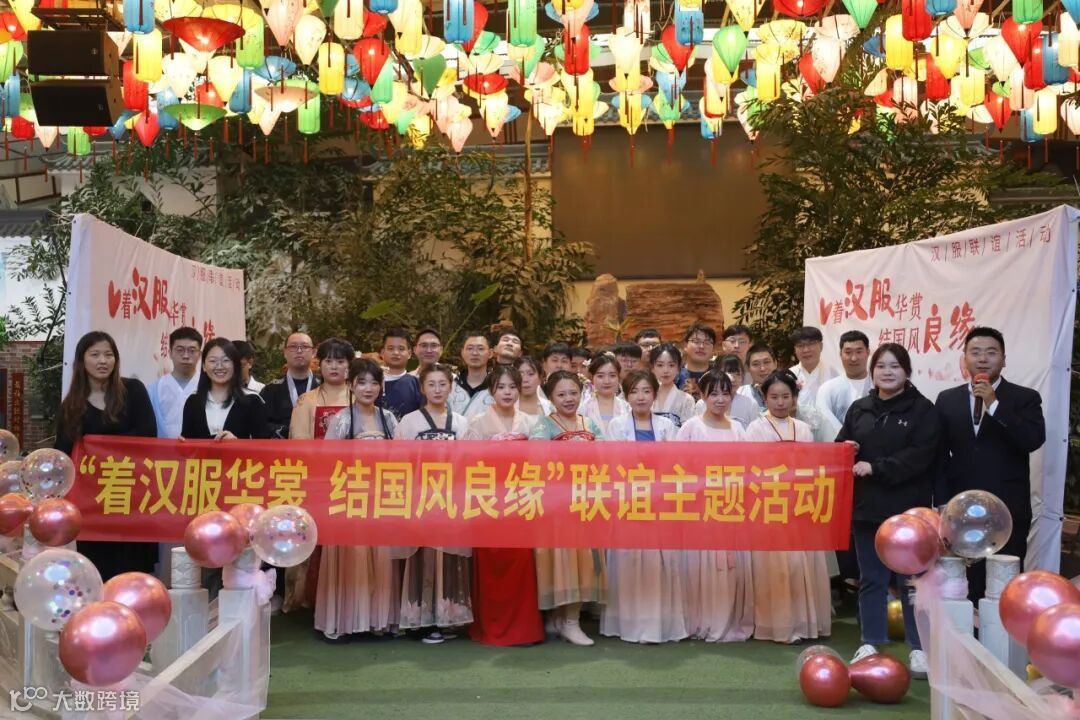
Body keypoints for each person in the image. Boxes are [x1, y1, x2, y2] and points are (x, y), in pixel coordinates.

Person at [837, 342, 938, 677]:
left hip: (909, 513)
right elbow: (841, 445)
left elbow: (920, 456)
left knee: (912, 581)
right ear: (873, 371)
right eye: (881, 366)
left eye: (895, 366)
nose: (888, 372)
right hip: (867, 508)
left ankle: (918, 647)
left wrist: (876, 468)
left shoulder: (923, 410)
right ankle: (870, 641)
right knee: (871, 579)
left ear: (907, 371)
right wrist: (847, 448)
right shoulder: (860, 408)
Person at [935, 327, 1045, 601]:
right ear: (965, 359)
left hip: (1008, 508)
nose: (983, 358)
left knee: (1004, 585)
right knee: (963, 585)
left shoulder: (1025, 398)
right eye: (975, 352)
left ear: (1003, 359)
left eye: (991, 352)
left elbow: (1032, 440)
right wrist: (942, 501)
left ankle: (1002, 629)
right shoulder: (947, 400)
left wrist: (994, 404)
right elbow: (939, 455)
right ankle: (965, 629)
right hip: (960, 509)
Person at [56, 331, 157, 580]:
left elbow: (148, 435)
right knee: (97, 570)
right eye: (95, 355)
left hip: (133, 495)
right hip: (93, 503)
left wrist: (104, 448)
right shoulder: (71, 406)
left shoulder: (133, 390)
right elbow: (63, 453)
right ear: (82, 360)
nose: (103, 361)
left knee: (134, 572)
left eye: (108, 355)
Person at [744, 370, 832, 644]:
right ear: (764, 398)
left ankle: (804, 622)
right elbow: (751, 469)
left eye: (785, 396)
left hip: (799, 505)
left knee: (798, 565)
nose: (780, 402)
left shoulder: (803, 428)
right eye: (774, 397)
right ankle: (776, 624)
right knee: (775, 567)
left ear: (794, 398)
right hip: (769, 505)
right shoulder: (755, 428)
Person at [318, 358, 400, 642]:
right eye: (361, 382)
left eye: (374, 382)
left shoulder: (389, 419)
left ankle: (378, 620)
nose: (368, 388)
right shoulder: (341, 420)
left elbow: (401, 460)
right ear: (351, 385)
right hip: (350, 498)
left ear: (381, 386)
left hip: (383, 499)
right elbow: (327, 463)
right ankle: (344, 621)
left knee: (382, 558)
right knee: (352, 558)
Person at [462, 365, 545, 647]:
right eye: (501, 387)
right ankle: (491, 626)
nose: (507, 392)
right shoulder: (477, 423)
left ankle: (524, 629)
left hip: (521, 500)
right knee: (491, 566)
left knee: (521, 565)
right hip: (489, 501)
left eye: (512, 387)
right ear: (491, 391)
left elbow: (540, 462)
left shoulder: (531, 423)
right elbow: (468, 464)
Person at [602, 370, 685, 644]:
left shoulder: (668, 427)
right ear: (626, 396)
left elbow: (677, 465)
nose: (641, 397)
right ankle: (628, 624)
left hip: (660, 502)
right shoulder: (616, 426)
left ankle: (660, 624)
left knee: (659, 563)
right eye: (634, 391)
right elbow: (612, 465)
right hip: (629, 502)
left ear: (654, 395)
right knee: (629, 561)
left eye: (646, 391)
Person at [396, 363, 472, 643]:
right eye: (431, 384)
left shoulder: (462, 422)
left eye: (442, 384)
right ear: (422, 388)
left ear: (451, 387)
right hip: (421, 500)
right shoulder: (409, 422)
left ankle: (446, 617)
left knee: (450, 559)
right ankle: (421, 620)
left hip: (452, 500)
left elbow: (469, 462)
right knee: (424, 559)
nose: (437, 390)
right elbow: (398, 462)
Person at [529, 370, 606, 646]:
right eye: (561, 394)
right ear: (550, 398)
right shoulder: (543, 425)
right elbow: (536, 462)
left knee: (584, 561)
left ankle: (572, 621)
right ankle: (556, 617)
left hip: (586, 502)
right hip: (557, 505)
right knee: (560, 562)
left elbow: (605, 457)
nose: (568, 398)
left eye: (573, 392)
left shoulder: (590, 424)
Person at [677, 370, 755, 642]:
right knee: (702, 566)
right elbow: (679, 467)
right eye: (714, 394)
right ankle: (702, 620)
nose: (720, 399)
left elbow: (748, 467)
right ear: (702, 395)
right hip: (701, 508)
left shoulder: (738, 428)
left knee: (730, 568)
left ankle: (729, 618)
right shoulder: (691, 427)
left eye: (726, 393)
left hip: (731, 505)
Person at [285, 338, 354, 612]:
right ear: (319, 364)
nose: (334, 367)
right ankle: (304, 597)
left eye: (340, 361)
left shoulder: (358, 397)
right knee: (310, 538)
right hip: (316, 482)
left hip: (351, 483)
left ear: (349, 366)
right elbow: (299, 444)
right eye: (328, 361)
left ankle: (346, 598)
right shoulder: (307, 401)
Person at [180, 339, 269, 440]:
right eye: (213, 361)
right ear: (204, 366)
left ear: (235, 365)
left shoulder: (252, 400)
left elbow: (263, 445)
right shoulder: (193, 402)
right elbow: (187, 444)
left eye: (226, 360)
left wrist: (238, 443)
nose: (219, 366)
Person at [147, 326, 203, 439]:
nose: (186, 356)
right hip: (163, 449)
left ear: (200, 354)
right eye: (180, 350)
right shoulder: (154, 389)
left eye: (192, 350)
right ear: (170, 353)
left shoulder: (208, 386)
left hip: (199, 449)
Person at [261, 332, 319, 439]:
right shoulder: (271, 390)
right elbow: (262, 424)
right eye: (293, 346)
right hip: (282, 447)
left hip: (318, 446)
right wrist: (288, 431)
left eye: (305, 346)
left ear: (313, 352)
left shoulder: (323, 386)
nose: (299, 350)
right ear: (285, 353)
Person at [816, 330, 872, 430]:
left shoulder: (879, 386)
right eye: (848, 352)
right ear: (840, 354)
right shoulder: (828, 388)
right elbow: (825, 423)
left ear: (868, 352)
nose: (854, 358)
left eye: (859, 352)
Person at [693, 354, 759, 428]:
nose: (733, 379)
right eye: (728, 373)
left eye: (738, 374)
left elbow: (755, 432)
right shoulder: (702, 404)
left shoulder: (750, 404)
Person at [378, 328, 423, 419]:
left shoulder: (417, 384)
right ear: (382, 353)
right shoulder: (372, 382)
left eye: (401, 349)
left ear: (409, 353)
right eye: (391, 348)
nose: (396, 353)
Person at [580, 354, 630, 435]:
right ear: (592, 378)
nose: (607, 381)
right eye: (600, 376)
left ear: (618, 377)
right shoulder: (584, 407)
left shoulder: (627, 407)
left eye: (612, 376)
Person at [449, 331, 494, 418]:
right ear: (462, 352)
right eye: (470, 348)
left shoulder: (497, 386)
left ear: (490, 353)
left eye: (480, 349)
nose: (475, 353)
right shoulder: (451, 386)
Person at [650, 343, 695, 428]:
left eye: (671, 365)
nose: (666, 370)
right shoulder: (646, 396)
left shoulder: (687, 399)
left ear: (678, 368)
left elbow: (688, 431)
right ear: (652, 367)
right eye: (660, 365)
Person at [790, 326, 838, 404]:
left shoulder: (834, 374)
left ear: (821, 346)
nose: (806, 350)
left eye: (811, 344)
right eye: (800, 346)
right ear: (795, 349)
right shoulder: (790, 375)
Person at [738, 343, 778, 412]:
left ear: (775, 364)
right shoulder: (740, 394)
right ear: (747, 368)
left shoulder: (788, 391)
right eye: (756, 364)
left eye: (766, 362)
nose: (762, 368)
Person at [676, 324, 716, 391]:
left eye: (707, 342)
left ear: (713, 348)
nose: (701, 346)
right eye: (696, 341)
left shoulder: (719, 376)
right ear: (685, 345)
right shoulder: (674, 375)